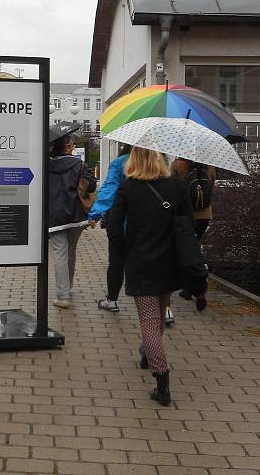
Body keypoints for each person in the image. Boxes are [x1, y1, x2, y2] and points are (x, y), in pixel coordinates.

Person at [107, 147, 193, 406]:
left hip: (140, 261)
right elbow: (187, 225)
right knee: (160, 311)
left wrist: (123, 253)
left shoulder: (127, 187)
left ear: (133, 160)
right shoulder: (177, 187)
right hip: (169, 263)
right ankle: (147, 352)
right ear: (159, 158)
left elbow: (113, 227)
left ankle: (161, 377)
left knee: (148, 317)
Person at [48, 125, 97, 309]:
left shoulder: (46, 164)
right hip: (76, 216)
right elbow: (90, 187)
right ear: (67, 146)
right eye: (72, 144)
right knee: (71, 251)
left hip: (55, 216)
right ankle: (67, 287)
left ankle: (63, 295)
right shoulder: (79, 164)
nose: (74, 146)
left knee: (60, 252)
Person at [88, 144, 131, 312]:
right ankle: (166, 309)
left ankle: (112, 300)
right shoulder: (158, 164)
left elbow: (109, 190)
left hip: (122, 222)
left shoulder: (121, 162)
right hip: (152, 223)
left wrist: (95, 214)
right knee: (155, 263)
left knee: (116, 261)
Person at [171, 158, 216, 311]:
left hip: (185, 215)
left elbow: (173, 189)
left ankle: (189, 288)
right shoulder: (209, 165)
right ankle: (197, 286)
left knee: (184, 251)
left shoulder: (179, 164)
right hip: (204, 214)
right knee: (195, 248)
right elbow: (211, 189)